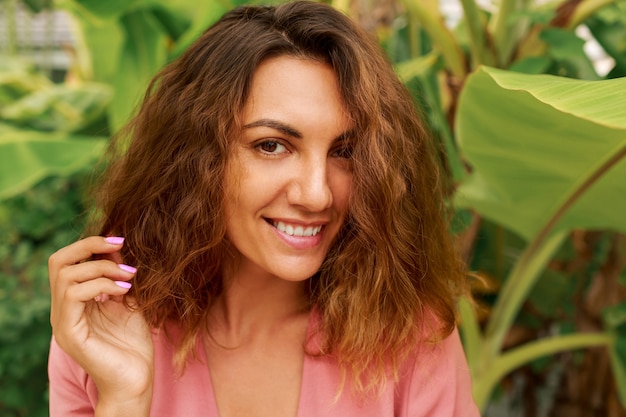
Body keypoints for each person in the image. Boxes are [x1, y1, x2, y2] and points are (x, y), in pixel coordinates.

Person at [47, 1, 480, 416]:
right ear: (196, 158)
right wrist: (125, 398)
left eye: (344, 151)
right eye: (272, 146)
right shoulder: (107, 333)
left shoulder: (410, 334)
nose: (317, 195)